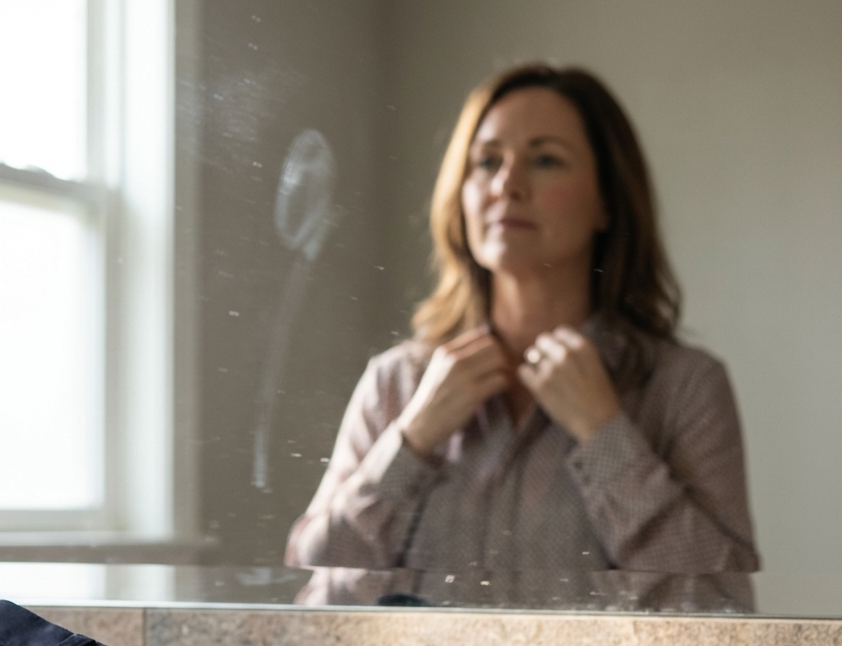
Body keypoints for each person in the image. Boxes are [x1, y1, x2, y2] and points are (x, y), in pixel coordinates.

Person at [285, 63, 759, 593]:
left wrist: (606, 437)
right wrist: (411, 441)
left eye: (546, 160)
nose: (506, 184)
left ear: (607, 201)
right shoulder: (394, 384)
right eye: (487, 161)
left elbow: (724, 613)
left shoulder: (685, 389)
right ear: (461, 195)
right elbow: (316, 603)